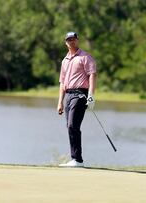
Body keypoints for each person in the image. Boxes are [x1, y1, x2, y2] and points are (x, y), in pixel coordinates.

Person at [57, 31, 97, 167]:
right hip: (68, 95)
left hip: (80, 94)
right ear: (65, 43)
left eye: (73, 39)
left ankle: (77, 160)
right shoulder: (64, 61)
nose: (71, 42)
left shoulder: (85, 57)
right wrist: (60, 102)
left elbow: (92, 75)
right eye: (69, 40)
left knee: (73, 125)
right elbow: (62, 82)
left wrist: (91, 95)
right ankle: (75, 159)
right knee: (69, 126)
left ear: (77, 40)